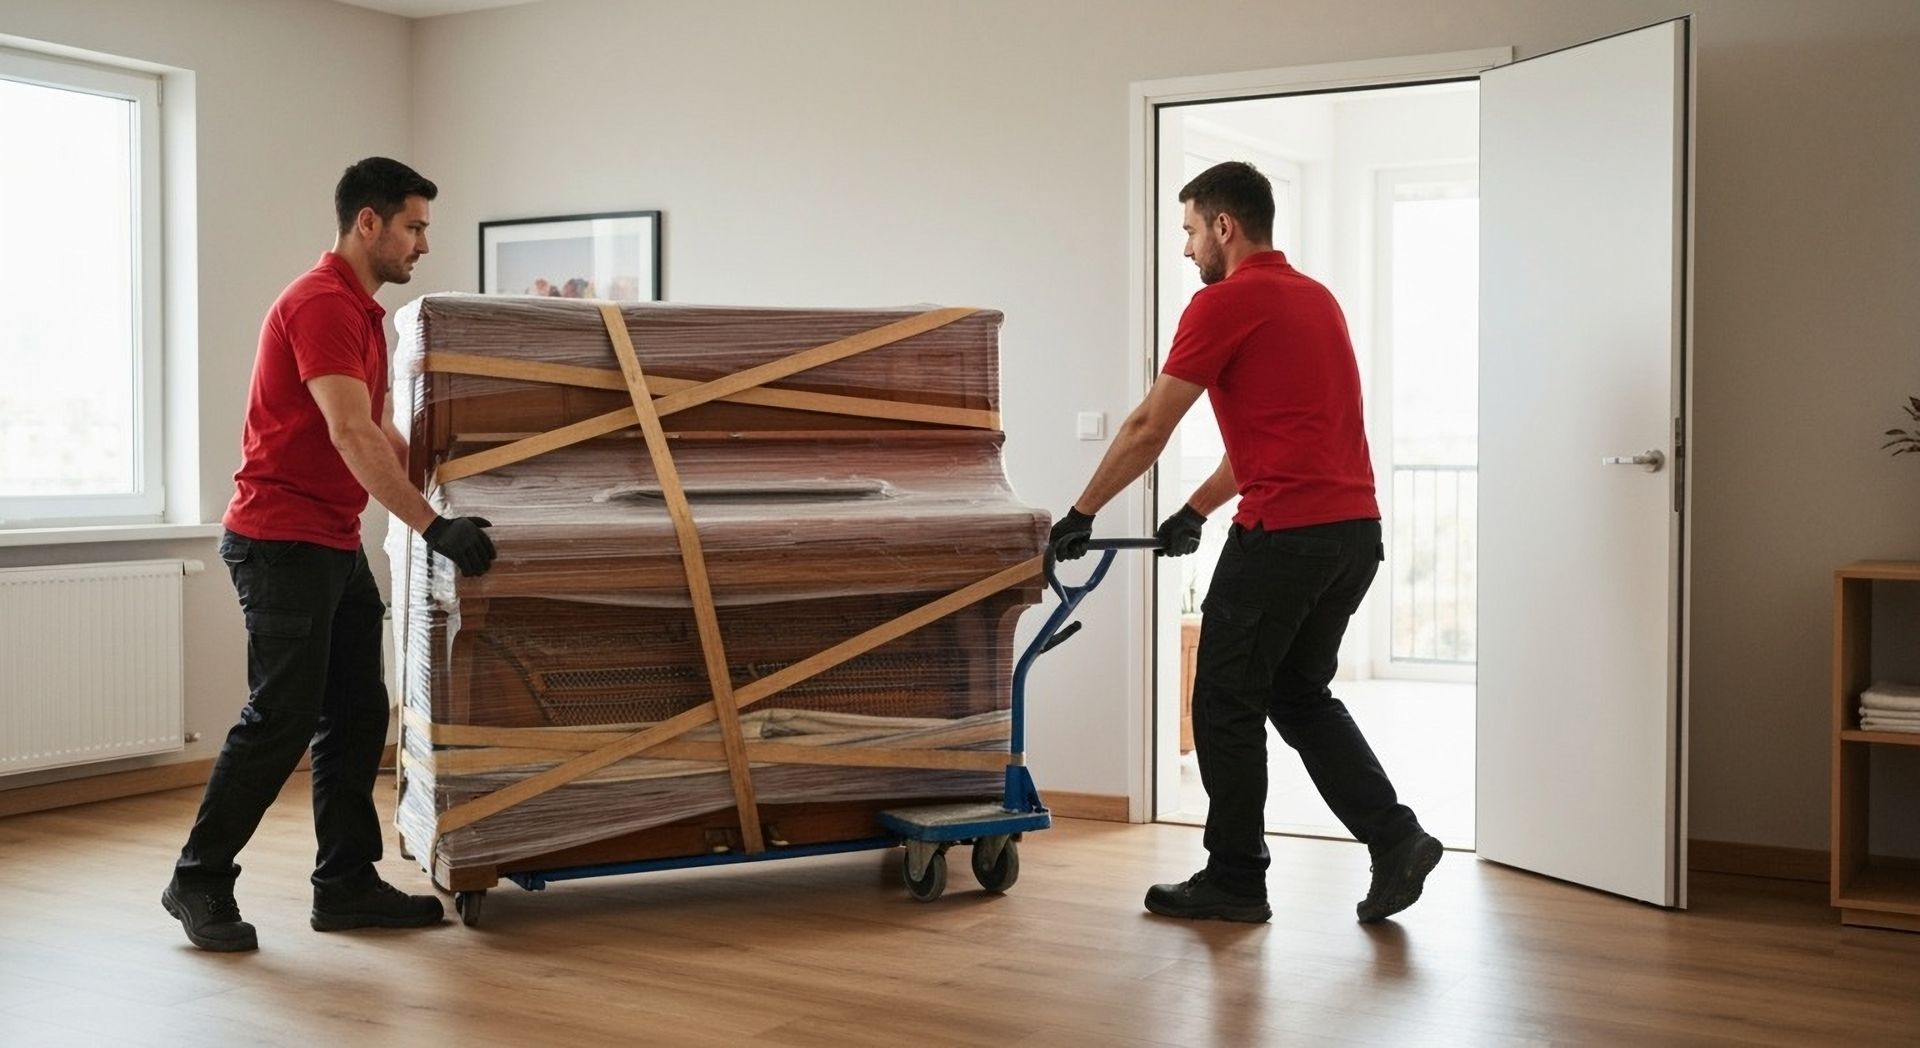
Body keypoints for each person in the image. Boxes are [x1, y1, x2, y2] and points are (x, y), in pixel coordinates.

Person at [1049, 161, 1442, 925]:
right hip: (1353, 536)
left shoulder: (1226, 304)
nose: (1190, 250)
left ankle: (1234, 877)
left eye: (1192, 231)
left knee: (1223, 701)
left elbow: (1147, 426)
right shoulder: (1315, 300)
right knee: (1297, 693)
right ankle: (1397, 838)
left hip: (1285, 537)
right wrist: (1196, 509)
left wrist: (1081, 512)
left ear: (1225, 227)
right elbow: (1275, 437)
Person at [162, 157, 499, 952]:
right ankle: (199, 880)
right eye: (414, 226)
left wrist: (447, 492)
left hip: (328, 539)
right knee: (279, 717)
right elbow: (348, 431)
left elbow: (376, 428)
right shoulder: (318, 304)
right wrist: (428, 526)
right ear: (369, 222)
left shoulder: (362, 312)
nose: (422, 244)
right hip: (279, 540)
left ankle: (344, 883)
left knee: (355, 711)